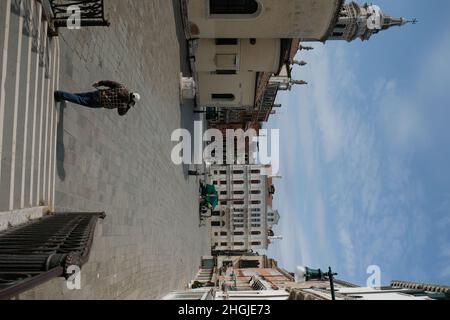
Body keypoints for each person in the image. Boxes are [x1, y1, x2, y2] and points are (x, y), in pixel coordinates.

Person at [54, 80, 140, 116]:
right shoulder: (124, 104)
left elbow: (110, 83)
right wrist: (129, 106)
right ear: (132, 101)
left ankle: (65, 97)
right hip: (99, 102)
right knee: (80, 100)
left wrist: (99, 83)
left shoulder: (123, 87)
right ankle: (60, 95)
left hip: (99, 93)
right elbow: (121, 113)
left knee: (81, 96)